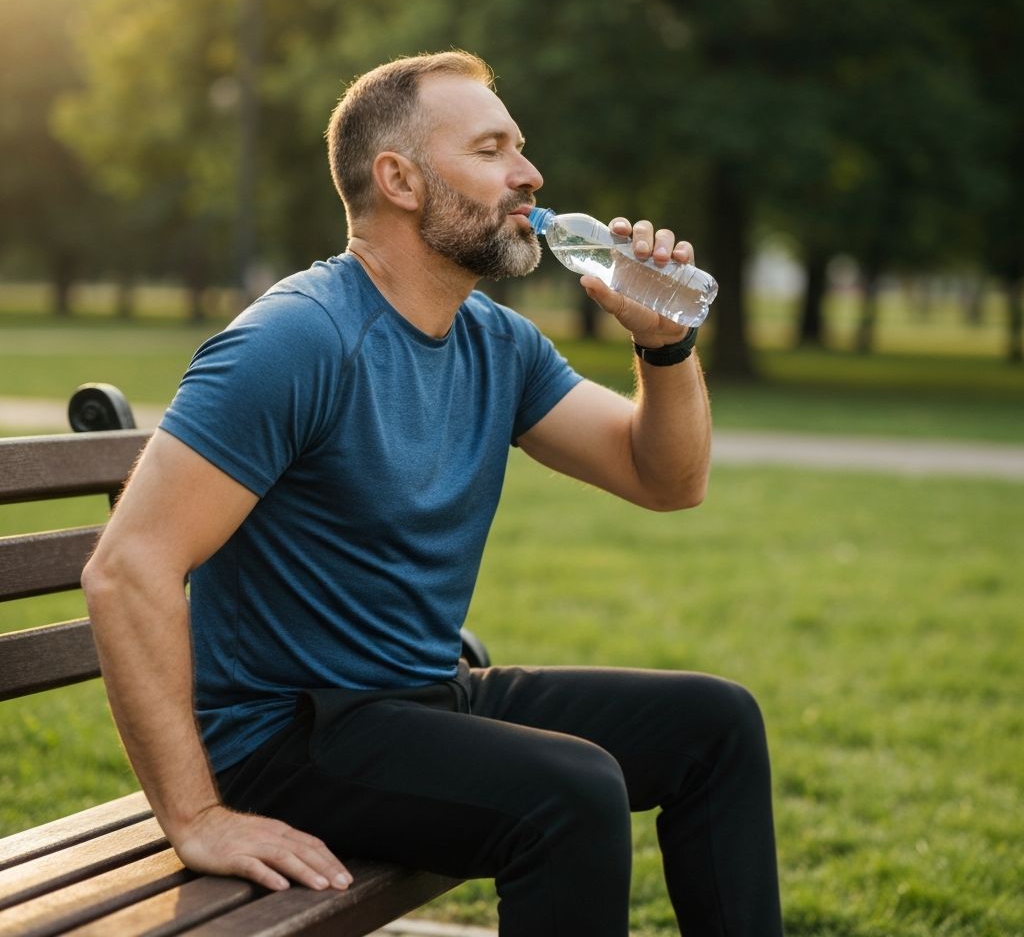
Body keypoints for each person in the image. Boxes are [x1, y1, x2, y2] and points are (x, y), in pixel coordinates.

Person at [82, 51, 783, 936]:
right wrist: (196, 817)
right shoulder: (297, 339)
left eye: (521, 148)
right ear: (400, 180)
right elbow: (127, 569)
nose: (530, 175)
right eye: (492, 151)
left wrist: (666, 348)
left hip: (416, 696)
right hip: (284, 739)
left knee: (715, 726)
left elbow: (667, 480)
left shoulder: (496, 342)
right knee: (571, 793)